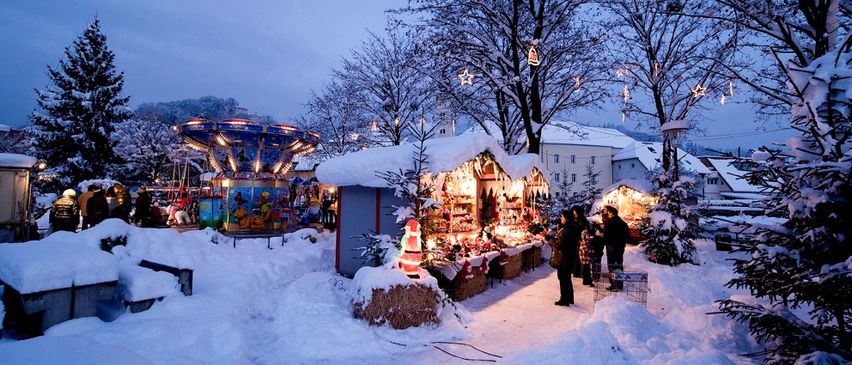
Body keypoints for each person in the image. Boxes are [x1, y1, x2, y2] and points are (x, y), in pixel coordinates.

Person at [554, 209, 580, 306]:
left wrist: (550, 239)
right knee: (567, 277)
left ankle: (564, 299)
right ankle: (569, 298)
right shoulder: (573, 226)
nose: (561, 218)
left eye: (562, 216)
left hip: (565, 256)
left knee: (563, 276)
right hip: (571, 255)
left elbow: (561, 244)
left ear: (565, 218)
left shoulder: (567, 229)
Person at [602, 205, 631, 291]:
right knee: (619, 265)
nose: (607, 214)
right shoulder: (623, 223)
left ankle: (614, 284)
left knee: (611, 265)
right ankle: (619, 283)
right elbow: (627, 236)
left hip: (611, 247)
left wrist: (604, 241)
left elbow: (605, 236)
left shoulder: (609, 223)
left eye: (608, 212)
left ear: (611, 213)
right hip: (620, 247)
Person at [573, 206, 595, 287]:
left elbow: (586, 232)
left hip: (582, 242)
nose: (574, 213)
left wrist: (581, 239)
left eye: (575, 212)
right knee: (580, 258)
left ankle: (582, 275)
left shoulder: (582, 221)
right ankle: (578, 273)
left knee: (583, 259)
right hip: (580, 241)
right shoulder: (580, 221)